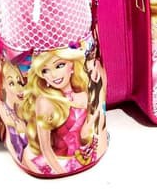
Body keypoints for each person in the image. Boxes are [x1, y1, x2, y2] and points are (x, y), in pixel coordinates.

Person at [19, 47, 98, 175]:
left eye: (59, 65)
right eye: (45, 70)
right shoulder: (45, 101)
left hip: (81, 159)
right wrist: (61, 172)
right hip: (56, 162)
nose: (53, 75)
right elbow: (45, 147)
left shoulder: (83, 96)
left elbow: (85, 134)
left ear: (72, 65)